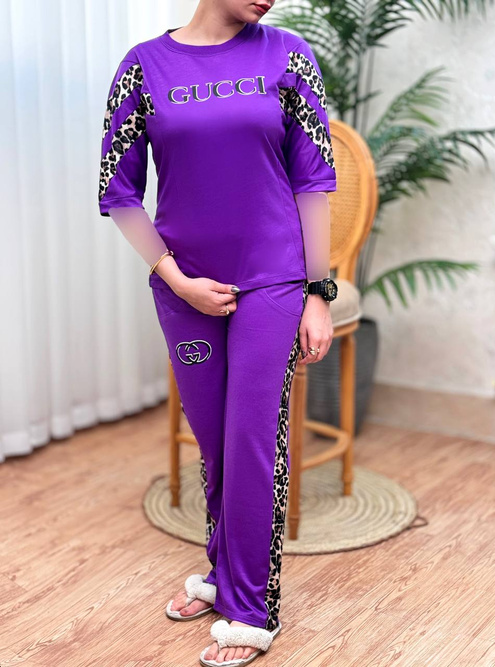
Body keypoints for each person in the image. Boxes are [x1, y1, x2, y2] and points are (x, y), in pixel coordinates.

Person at [98, 1, 338, 664]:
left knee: (252, 440)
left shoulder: (287, 56)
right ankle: (222, 574)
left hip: (273, 279)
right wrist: (176, 279)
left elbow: (313, 180)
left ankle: (252, 610)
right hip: (186, 288)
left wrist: (317, 292)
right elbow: (119, 191)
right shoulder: (143, 67)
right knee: (215, 443)